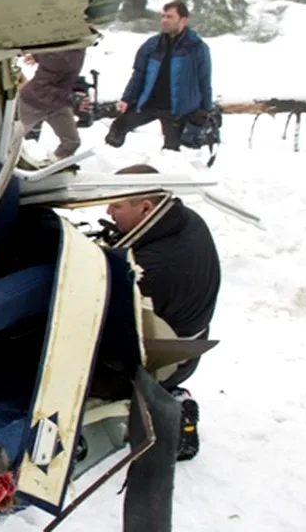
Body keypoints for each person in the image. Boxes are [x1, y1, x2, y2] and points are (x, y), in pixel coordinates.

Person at [105, 163, 221, 461]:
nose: (108, 212)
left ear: (145, 207)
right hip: (186, 345)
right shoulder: (184, 219)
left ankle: (159, 405)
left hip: (165, 361)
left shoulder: (153, 270)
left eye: (116, 206)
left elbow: (103, 325)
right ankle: (166, 397)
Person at [106, 0, 212, 151]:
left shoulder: (196, 48)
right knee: (117, 128)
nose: (164, 21)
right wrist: (126, 99)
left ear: (183, 19)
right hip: (149, 104)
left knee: (172, 152)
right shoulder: (152, 45)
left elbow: (204, 80)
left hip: (177, 110)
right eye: (163, 16)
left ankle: (169, 171)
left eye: (170, 17)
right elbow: (138, 75)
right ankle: (108, 162)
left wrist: (206, 110)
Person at [18, 49, 87, 160]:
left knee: (72, 142)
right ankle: (1, 169)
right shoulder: (62, 52)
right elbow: (42, 88)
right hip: (34, 103)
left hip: (58, 104)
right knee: (9, 141)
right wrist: (72, 98)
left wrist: (37, 55)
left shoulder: (77, 48)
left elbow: (52, 54)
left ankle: (52, 166)